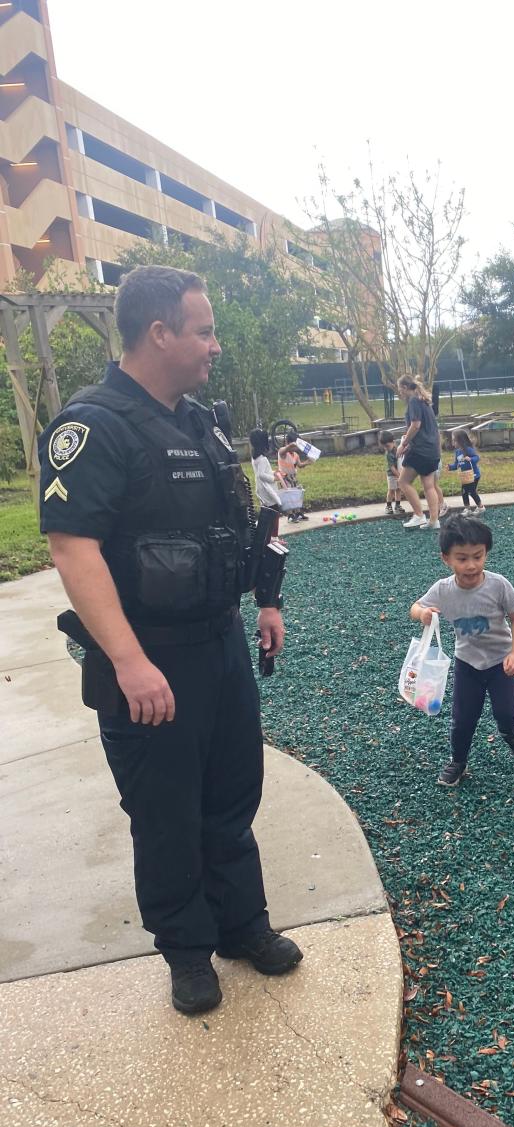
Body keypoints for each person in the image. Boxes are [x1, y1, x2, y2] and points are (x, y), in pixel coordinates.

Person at [37, 265, 302, 1016]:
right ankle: (186, 952)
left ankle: (242, 926)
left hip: (217, 644)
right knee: (165, 813)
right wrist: (126, 660)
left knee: (230, 796)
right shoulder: (93, 427)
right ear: (160, 333)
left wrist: (265, 601)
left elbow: (238, 519)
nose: (215, 345)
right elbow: (72, 549)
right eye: (205, 330)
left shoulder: (199, 420)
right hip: (149, 656)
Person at [410, 514, 514, 787]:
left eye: (478, 556)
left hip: (500, 663)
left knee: (505, 712)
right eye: (462, 559)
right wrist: (423, 613)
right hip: (467, 664)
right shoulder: (443, 590)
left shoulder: (498, 585)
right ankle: (458, 761)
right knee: (462, 718)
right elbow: (414, 607)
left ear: (486, 553)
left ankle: (509, 731)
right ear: (446, 559)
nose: (471, 565)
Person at [396, 374, 442, 530]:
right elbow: (425, 428)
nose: (399, 393)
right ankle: (434, 521)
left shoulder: (414, 401)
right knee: (429, 485)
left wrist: (404, 444)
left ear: (404, 387)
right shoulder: (424, 401)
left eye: (399, 389)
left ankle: (419, 515)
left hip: (421, 450)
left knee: (403, 482)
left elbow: (415, 425)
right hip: (432, 449)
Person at [277, 427, 309, 523]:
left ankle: (298, 512)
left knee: (296, 494)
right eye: (295, 446)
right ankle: (290, 515)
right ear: (288, 443)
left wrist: (308, 462)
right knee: (288, 496)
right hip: (284, 478)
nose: (296, 448)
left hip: (293, 477)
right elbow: (284, 449)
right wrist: (291, 444)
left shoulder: (295, 454)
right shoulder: (282, 452)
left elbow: (300, 465)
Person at [448, 428, 484, 511]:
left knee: (472, 492)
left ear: (461, 440)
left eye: (454, 440)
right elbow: (457, 464)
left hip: (474, 475)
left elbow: (477, 457)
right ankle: (467, 508)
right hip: (465, 477)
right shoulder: (457, 452)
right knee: (464, 492)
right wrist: (450, 467)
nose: (453, 443)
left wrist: (471, 459)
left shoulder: (468, 449)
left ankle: (481, 507)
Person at [249, 427, 282, 511]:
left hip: (261, 488)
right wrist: (274, 478)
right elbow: (261, 475)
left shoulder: (255, 457)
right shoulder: (262, 459)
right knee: (273, 512)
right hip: (267, 489)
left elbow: (262, 471)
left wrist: (273, 472)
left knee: (266, 512)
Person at [378, 429, 406, 516]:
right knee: (391, 491)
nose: (386, 448)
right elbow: (392, 468)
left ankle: (397, 505)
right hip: (392, 475)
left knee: (398, 490)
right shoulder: (388, 454)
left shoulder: (397, 449)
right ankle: (388, 506)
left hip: (399, 474)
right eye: (385, 447)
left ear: (393, 442)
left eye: (387, 446)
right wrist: (399, 476)